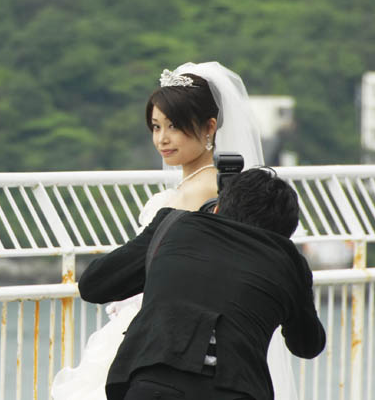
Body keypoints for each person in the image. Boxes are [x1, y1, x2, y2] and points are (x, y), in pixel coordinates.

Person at [51, 62, 296, 400]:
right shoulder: (194, 185)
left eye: (175, 127)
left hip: (170, 336)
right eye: (155, 127)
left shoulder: (209, 191)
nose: (162, 139)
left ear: (209, 127)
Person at [76, 168, 325, 400]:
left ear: (217, 208)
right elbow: (307, 345)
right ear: (283, 234)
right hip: (237, 389)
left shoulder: (172, 226)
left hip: (154, 381)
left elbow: (93, 285)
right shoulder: (288, 262)